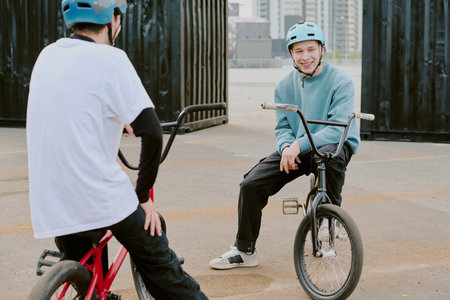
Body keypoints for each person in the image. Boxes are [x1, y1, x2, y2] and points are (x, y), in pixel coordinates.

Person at [26, 0, 208, 298]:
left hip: (52, 202)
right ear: (113, 19)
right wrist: (142, 197)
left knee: (88, 278)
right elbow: (152, 133)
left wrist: (112, 119)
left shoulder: (46, 56)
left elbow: (71, 108)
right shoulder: (111, 58)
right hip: (100, 198)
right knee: (165, 270)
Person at [209, 21, 360, 270]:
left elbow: (336, 128)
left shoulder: (341, 81)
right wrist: (287, 147)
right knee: (251, 184)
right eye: (298, 51)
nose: (306, 57)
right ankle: (245, 250)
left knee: (330, 161)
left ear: (322, 49)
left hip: (332, 143)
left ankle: (327, 220)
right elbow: (282, 127)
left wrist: (297, 146)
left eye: (311, 49)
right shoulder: (283, 86)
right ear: (291, 54)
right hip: (297, 148)